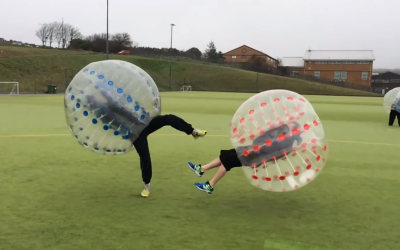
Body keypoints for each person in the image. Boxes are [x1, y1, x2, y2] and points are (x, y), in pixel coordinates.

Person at [187, 122, 302, 194]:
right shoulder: (284, 138)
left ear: (293, 130)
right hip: (251, 150)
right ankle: (201, 169)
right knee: (226, 155)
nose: (286, 126)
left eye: (289, 126)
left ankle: (210, 185)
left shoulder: (286, 142)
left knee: (227, 162)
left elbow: (269, 150)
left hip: (254, 155)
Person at [133, 114, 206, 197]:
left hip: (143, 121)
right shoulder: (115, 109)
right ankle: (147, 185)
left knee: (168, 119)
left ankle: (193, 131)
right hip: (134, 132)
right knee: (145, 156)